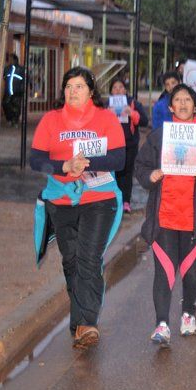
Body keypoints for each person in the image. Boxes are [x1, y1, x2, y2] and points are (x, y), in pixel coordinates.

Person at [30, 67, 126, 349]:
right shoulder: (51, 120)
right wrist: (63, 166)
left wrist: (85, 164)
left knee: (87, 258)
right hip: (61, 200)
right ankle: (80, 322)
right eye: (69, 86)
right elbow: (36, 160)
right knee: (70, 260)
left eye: (80, 86)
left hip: (99, 199)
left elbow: (119, 159)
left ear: (91, 91)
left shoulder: (106, 119)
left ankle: (88, 323)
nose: (73, 91)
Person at [135, 84, 196, 347]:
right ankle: (162, 324)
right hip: (164, 217)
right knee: (164, 271)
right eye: (178, 99)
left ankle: (188, 314)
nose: (183, 103)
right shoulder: (158, 136)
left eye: (188, 99)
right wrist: (149, 176)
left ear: (194, 107)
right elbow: (141, 166)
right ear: (172, 106)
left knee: (189, 271)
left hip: (194, 218)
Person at [109, 79, 148, 213]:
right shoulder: (106, 105)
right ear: (111, 91)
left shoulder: (133, 103)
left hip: (130, 145)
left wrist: (132, 113)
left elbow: (144, 121)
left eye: (121, 87)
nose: (118, 90)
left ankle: (126, 201)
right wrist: (107, 114)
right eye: (115, 87)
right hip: (112, 145)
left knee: (127, 173)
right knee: (114, 173)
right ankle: (115, 200)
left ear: (125, 90)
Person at [2, 53, 25, 126]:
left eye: (11, 59)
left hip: (17, 91)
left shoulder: (21, 69)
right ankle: (9, 119)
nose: (10, 61)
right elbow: (5, 78)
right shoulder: (7, 69)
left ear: (15, 60)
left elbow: (25, 79)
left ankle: (15, 121)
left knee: (16, 107)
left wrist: (22, 88)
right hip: (8, 91)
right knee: (6, 104)